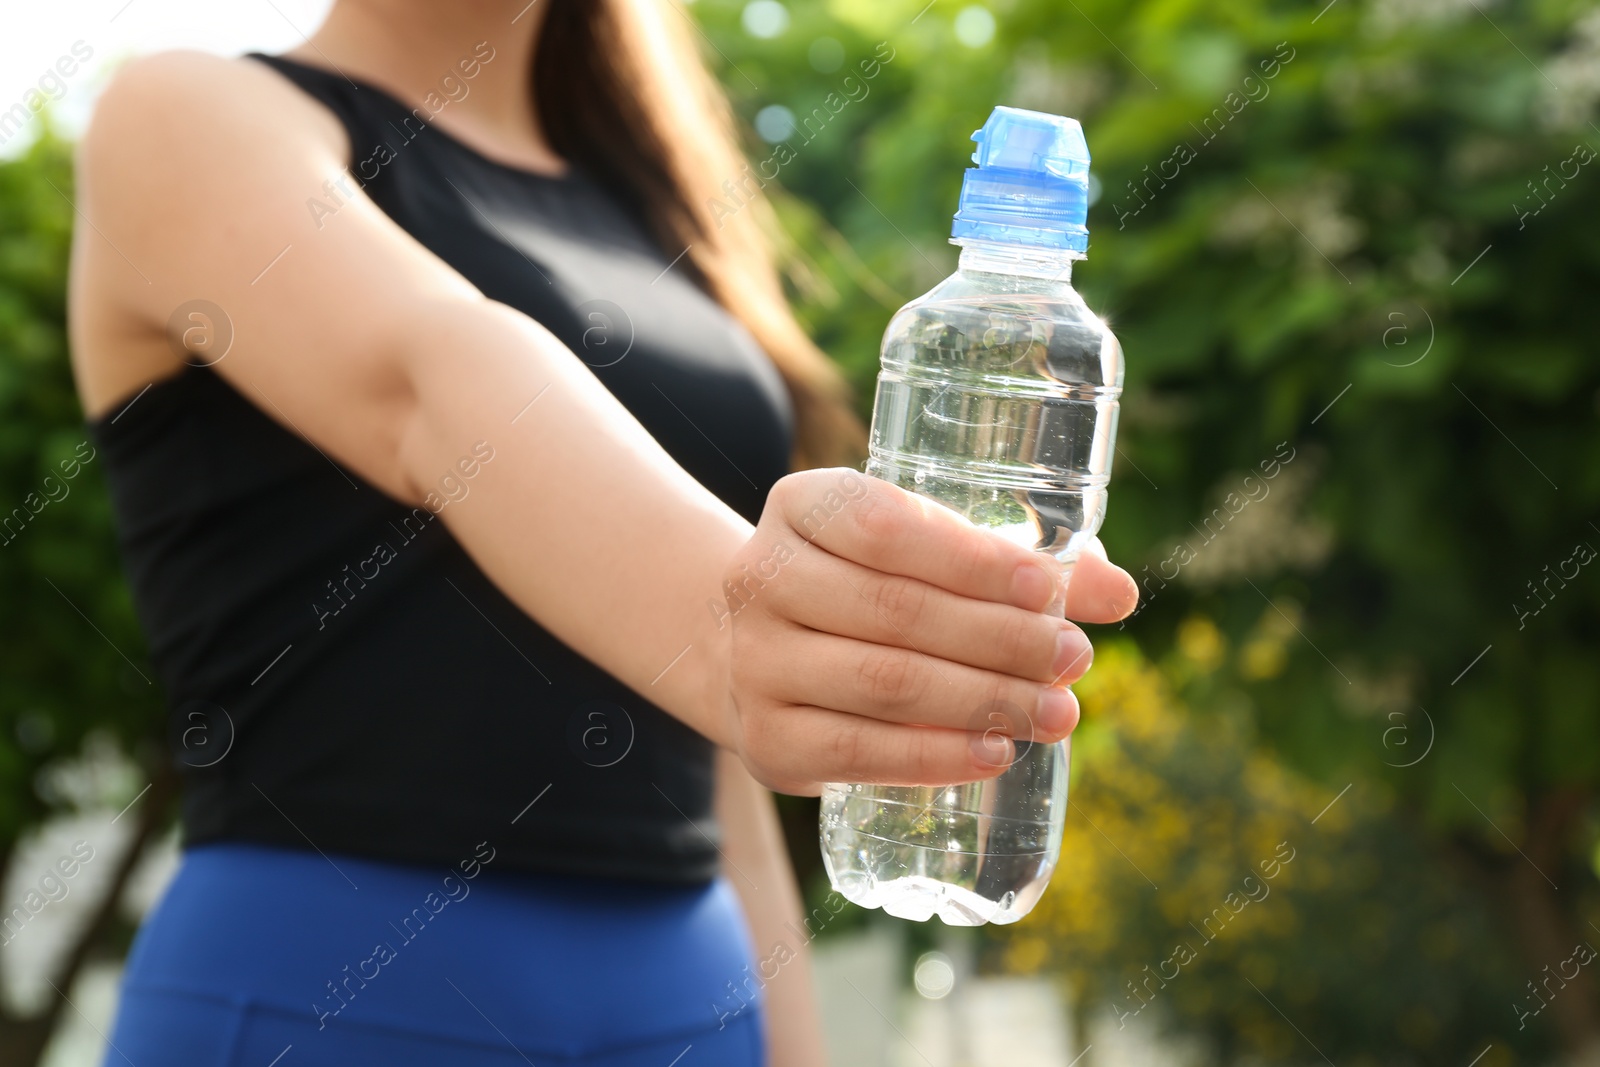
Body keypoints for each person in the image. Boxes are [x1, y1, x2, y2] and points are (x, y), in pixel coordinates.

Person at [67, 1, 1138, 1063]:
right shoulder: (183, 114)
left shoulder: (660, 209)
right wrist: (729, 623)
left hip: (693, 993)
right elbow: (428, 382)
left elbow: (709, 749)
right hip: (339, 989)